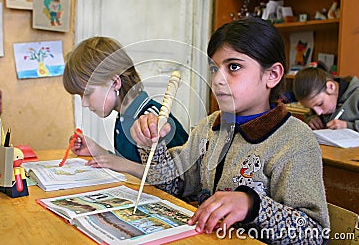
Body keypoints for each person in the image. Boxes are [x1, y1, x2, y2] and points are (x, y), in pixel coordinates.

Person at [130, 17, 329, 244]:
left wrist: (252, 206)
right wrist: (151, 143)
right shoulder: (209, 126)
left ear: (272, 75)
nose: (217, 80)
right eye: (214, 68)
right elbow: (174, 185)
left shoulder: (295, 141)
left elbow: (313, 235)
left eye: (234, 67)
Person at [62, 36, 188, 177]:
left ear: (115, 83)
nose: (84, 103)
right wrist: (97, 151)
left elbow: (174, 179)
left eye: (87, 93)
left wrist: (122, 164)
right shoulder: (123, 118)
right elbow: (127, 162)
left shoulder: (152, 119)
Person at [293, 61, 359, 131]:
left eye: (320, 104)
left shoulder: (356, 95)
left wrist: (348, 126)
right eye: (312, 108)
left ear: (330, 87)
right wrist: (312, 119)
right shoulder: (317, 101)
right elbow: (309, 115)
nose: (319, 113)